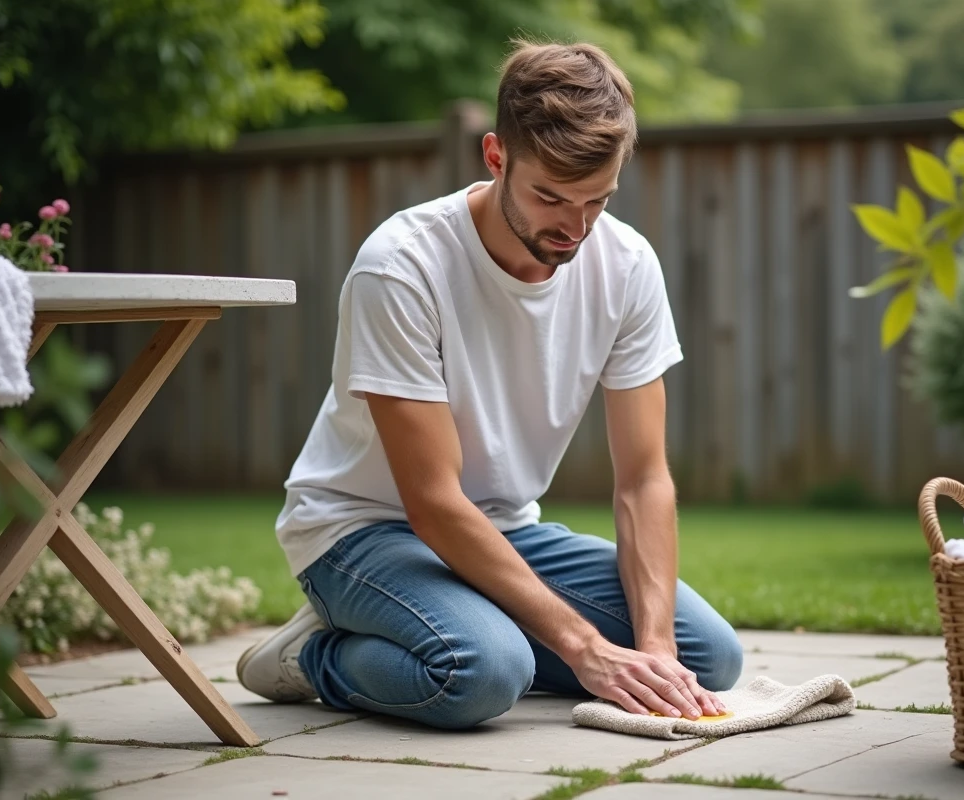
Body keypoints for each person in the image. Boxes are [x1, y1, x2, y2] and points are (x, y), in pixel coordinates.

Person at [236, 39, 744, 730]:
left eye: (597, 200)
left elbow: (644, 479)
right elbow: (433, 503)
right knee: (484, 673)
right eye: (550, 197)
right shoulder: (403, 266)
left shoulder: (625, 265)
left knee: (704, 658)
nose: (575, 228)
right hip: (359, 532)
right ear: (495, 156)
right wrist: (587, 648)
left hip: (503, 528)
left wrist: (653, 651)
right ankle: (314, 657)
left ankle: (485, 629)